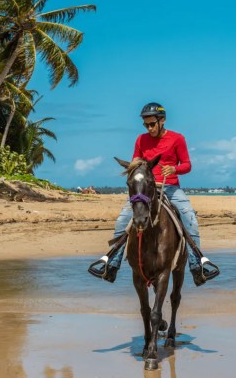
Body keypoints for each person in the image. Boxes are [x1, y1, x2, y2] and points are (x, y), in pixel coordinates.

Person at [89, 102, 219, 285]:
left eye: (152, 124)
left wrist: (174, 169)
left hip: (170, 188)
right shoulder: (140, 140)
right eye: (146, 125)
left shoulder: (177, 138)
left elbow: (187, 165)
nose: (149, 128)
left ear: (162, 120)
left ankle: (197, 266)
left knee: (190, 219)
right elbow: (136, 163)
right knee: (122, 220)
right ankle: (112, 264)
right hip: (144, 189)